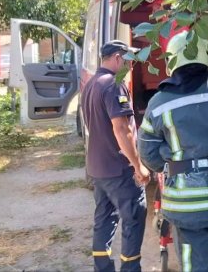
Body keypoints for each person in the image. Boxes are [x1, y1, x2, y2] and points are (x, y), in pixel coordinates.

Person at [138, 30, 208, 271]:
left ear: (172, 61)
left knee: (194, 265)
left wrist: (171, 167)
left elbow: (147, 152)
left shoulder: (159, 103)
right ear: (205, 58)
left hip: (184, 202)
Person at [81, 40, 150, 272]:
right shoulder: (113, 84)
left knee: (104, 220)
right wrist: (138, 165)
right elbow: (122, 129)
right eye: (129, 60)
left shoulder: (91, 84)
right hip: (118, 170)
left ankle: (103, 268)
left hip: (98, 169)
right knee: (134, 219)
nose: (131, 65)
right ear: (118, 58)